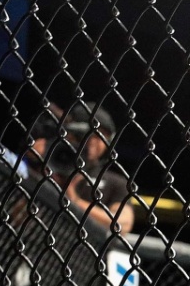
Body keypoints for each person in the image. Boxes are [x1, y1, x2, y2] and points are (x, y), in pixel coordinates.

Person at [24, 100, 136, 235]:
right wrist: (34, 162)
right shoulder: (48, 159)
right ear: (71, 133)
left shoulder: (115, 182)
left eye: (101, 135)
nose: (93, 141)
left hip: (79, 249)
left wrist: (74, 201)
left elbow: (122, 224)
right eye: (87, 133)